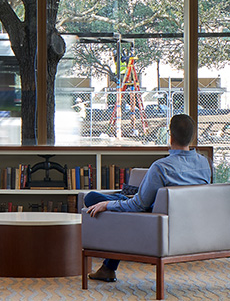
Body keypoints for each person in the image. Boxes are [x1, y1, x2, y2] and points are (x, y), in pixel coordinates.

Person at [81, 112, 210, 284]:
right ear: (192, 137)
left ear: (170, 136)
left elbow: (138, 206)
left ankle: (108, 267)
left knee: (92, 198)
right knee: (121, 198)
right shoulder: (204, 163)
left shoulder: (161, 167)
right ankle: (107, 268)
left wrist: (108, 205)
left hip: (150, 218)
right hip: (187, 221)